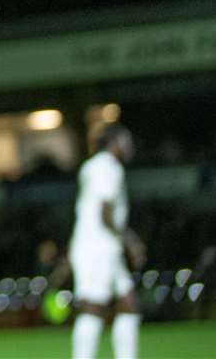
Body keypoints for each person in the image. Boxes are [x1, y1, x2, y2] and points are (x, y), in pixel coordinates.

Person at [70, 125, 144, 359]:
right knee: (93, 307)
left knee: (128, 304)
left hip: (101, 246)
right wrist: (130, 240)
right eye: (126, 141)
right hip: (96, 247)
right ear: (113, 142)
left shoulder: (93, 165)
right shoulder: (107, 167)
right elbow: (104, 212)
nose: (129, 146)